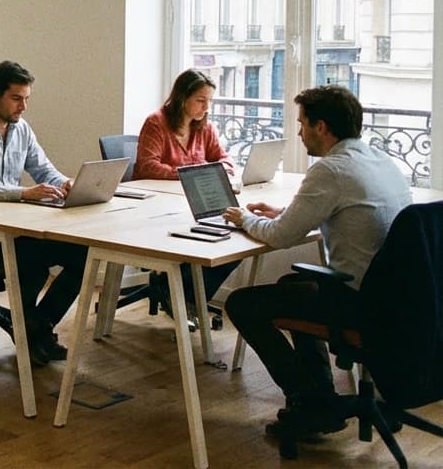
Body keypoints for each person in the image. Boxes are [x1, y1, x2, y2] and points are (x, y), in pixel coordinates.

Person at [222, 85, 411, 440]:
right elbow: (347, 211)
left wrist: (244, 219)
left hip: (359, 301)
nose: (298, 133)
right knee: (291, 289)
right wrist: (287, 212)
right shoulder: (378, 160)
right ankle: (319, 396)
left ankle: (309, 400)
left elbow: (280, 237)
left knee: (242, 303)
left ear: (321, 127)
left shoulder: (331, 170)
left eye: (302, 124)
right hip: (395, 298)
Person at [0, 60, 88, 365]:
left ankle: (37, 325)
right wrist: (22, 193)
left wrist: (65, 183)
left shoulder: (21, 129)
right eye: (16, 98)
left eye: (26, 99)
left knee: (83, 253)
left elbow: (42, 168)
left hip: (11, 224)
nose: (23, 106)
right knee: (30, 257)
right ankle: (31, 333)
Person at [135, 69, 240, 317]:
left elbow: (224, 160)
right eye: (201, 101)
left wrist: (216, 169)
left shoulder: (204, 128)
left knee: (234, 241)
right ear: (183, 98)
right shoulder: (156, 122)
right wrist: (191, 173)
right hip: (156, 208)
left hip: (191, 204)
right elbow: (147, 166)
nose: (207, 107)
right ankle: (181, 295)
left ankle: (184, 294)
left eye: (209, 101)